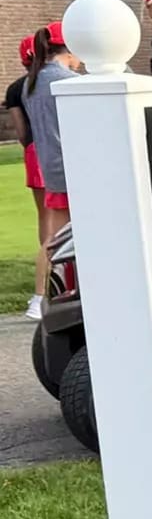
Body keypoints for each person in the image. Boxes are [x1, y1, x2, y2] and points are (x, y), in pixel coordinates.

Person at [22, 24, 85, 257]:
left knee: (55, 244)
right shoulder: (69, 82)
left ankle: (45, 290)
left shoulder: (31, 82)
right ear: (70, 50)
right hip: (75, 169)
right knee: (84, 238)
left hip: (51, 168)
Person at [5, 35, 51, 319]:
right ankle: (47, 293)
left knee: (46, 224)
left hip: (34, 154)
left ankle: (39, 297)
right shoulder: (54, 81)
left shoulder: (15, 88)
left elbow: (22, 135)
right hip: (55, 152)